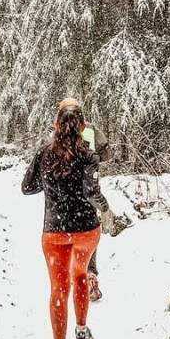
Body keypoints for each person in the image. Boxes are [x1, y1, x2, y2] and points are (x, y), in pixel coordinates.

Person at [22, 102, 114, 339]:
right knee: (81, 276)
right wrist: (106, 210)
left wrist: (50, 182)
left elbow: (27, 187)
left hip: (54, 232)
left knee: (59, 288)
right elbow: (90, 191)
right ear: (84, 128)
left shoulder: (43, 154)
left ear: (56, 125)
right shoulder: (89, 157)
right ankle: (82, 332)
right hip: (86, 230)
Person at [55, 98, 113, 301]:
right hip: (90, 190)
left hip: (63, 194)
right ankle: (90, 274)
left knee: (65, 234)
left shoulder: (57, 133)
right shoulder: (92, 130)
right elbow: (106, 154)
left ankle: (71, 276)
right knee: (90, 234)